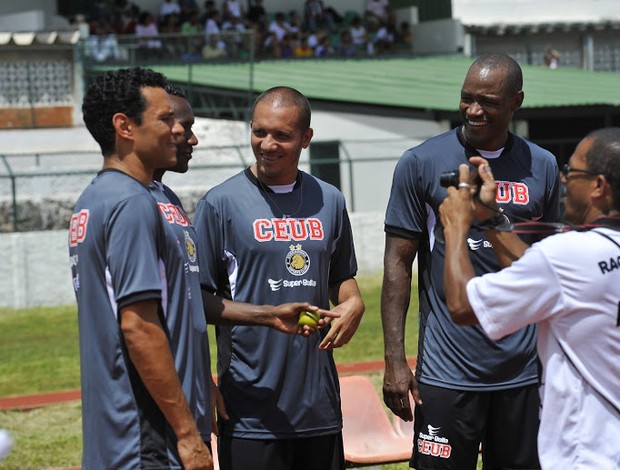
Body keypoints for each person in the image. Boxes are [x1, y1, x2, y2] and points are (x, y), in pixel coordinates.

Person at [381, 53, 561, 470]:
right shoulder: (421, 162)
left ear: (516, 102)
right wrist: (395, 360)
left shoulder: (544, 165)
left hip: (522, 373)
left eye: (488, 102)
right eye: (467, 98)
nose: (473, 110)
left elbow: (546, 267)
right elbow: (397, 262)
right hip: (447, 372)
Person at [193, 86, 365, 470]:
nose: (267, 144)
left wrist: (354, 302)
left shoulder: (330, 200)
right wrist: (205, 379)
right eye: (259, 132)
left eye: (282, 136)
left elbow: (342, 277)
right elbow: (196, 300)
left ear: (306, 138)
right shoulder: (220, 204)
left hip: (318, 403)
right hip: (251, 406)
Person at [439, 127, 620, 469]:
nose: (565, 182)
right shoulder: (580, 260)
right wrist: (491, 218)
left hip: (586, 456)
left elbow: (464, 306)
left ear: (599, 186)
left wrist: (457, 228)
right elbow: (544, 279)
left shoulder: (568, 254)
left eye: (573, 172)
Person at [69, 67, 213, 469]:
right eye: (165, 119)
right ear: (125, 127)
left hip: (117, 431)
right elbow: (139, 326)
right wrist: (186, 434)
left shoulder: (94, 199)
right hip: (148, 435)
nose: (178, 131)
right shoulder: (131, 203)